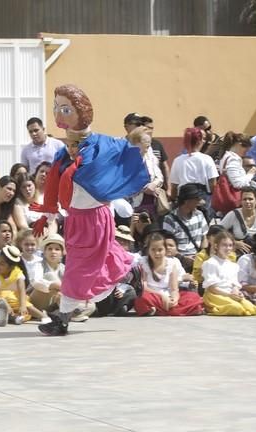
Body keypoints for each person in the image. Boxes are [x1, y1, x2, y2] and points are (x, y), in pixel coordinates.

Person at [34, 84, 149, 336]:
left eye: (65, 109)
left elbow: (123, 150)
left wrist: (137, 140)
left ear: (80, 111)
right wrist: (48, 213)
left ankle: (62, 319)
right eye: (57, 108)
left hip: (94, 217)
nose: (58, 114)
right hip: (77, 217)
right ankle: (131, 268)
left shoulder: (100, 145)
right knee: (99, 260)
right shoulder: (64, 152)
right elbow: (54, 181)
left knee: (77, 267)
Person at [134, 233, 203, 316]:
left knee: (193, 297)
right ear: (148, 250)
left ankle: (159, 310)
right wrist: (162, 296)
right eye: (153, 250)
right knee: (141, 299)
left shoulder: (171, 263)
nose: (157, 253)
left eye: (160, 250)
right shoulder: (143, 262)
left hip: (168, 295)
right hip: (152, 295)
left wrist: (174, 299)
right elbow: (144, 287)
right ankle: (174, 311)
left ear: (165, 250)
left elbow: (174, 289)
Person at [0, 245, 48, 323]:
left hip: (14, 301)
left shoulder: (18, 274)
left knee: (24, 306)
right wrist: (4, 304)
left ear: (11, 267)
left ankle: (42, 316)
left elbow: (22, 292)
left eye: (2, 264)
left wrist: (22, 306)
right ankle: (8, 315)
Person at [201, 231, 256, 316]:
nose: (228, 248)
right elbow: (211, 288)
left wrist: (236, 292)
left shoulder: (233, 265)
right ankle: (211, 308)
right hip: (215, 295)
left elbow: (234, 283)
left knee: (252, 309)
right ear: (216, 246)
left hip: (230, 294)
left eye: (230, 245)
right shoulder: (210, 263)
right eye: (224, 245)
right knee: (237, 308)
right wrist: (228, 295)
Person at [162, 183, 209, 264]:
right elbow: (167, 245)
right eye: (197, 199)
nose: (199, 202)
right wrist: (182, 258)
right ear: (187, 201)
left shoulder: (199, 215)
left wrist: (201, 255)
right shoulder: (169, 220)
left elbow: (204, 238)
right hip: (178, 261)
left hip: (197, 258)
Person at [168, 127, 218, 201]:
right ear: (199, 141)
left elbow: (174, 186)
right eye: (202, 139)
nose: (204, 141)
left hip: (184, 198)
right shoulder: (207, 159)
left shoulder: (177, 161)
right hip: (202, 197)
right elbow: (212, 184)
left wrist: (173, 200)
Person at [220, 187, 256, 255]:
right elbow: (217, 232)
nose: (247, 201)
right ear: (241, 201)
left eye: (250, 199)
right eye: (244, 199)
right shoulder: (233, 214)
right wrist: (233, 242)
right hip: (238, 254)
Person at [217, 131, 256, 200]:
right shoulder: (233, 159)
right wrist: (250, 174)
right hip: (234, 198)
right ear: (239, 144)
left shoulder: (226, 156)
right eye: (246, 151)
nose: (246, 154)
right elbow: (238, 184)